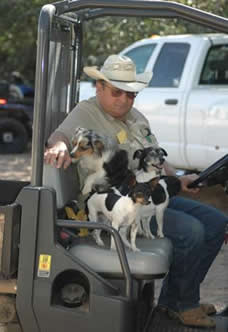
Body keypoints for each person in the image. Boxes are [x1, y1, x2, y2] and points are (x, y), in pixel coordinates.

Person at [44, 54, 228, 328]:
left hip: (146, 194)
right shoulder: (87, 111)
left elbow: (156, 157)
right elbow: (60, 135)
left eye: (130, 95)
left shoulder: (136, 116)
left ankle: (176, 301)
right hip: (115, 205)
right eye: (116, 92)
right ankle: (183, 304)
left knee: (216, 222)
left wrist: (178, 178)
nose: (124, 100)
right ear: (100, 88)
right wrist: (58, 145)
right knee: (192, 231)